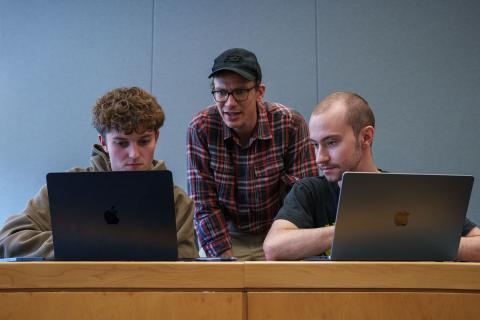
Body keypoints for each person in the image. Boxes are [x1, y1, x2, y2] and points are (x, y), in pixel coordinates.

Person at [263, 91, 480, 261]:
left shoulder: (411, 193)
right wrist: (352, 231)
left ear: (366, 137)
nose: (320, 158)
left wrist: (420, 242)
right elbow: (273, 248)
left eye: (331, 143)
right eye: (315, 145)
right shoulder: (309, 191)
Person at [0, 87, 198, 259]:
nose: (134, 154)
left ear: (156, 137)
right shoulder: (69, 188)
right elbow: (9, 238)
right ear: (103, 142)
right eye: (121, 143)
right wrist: (78, 245)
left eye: (144, 141)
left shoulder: (177, 201)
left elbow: (185, 274)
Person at [187, 48, 318, 260]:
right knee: (217, 288)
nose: (230, 103)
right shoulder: (201, 127)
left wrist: (280, 246)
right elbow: (204, 204)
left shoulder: (290, 124)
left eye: (240, 92)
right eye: (221, 92)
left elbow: (303, 196)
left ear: (259, 92)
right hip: (226, 237)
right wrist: (228, 262)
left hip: (278, 233)